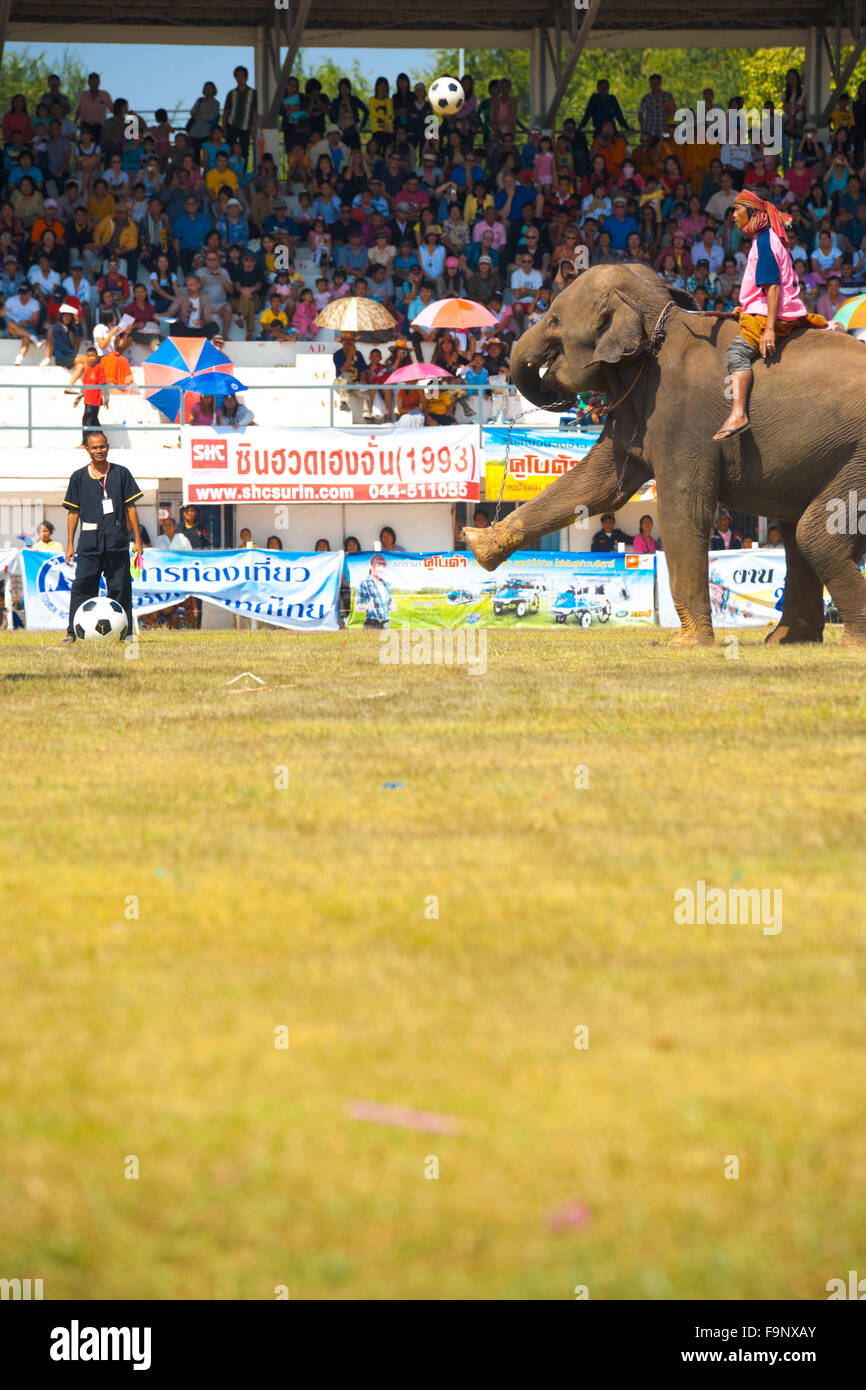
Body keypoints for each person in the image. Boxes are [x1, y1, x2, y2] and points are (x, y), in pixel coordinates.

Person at [712, 189, 833, 441]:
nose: (733, 215)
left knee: (735, 353)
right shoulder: (766, 238)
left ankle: (738, 413)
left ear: (752, 212)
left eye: (737, 209)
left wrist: (768, 329)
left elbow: (773, 287)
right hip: (777, 309)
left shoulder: (765, 240)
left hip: (774, 316)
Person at [62, 432, 143, 643]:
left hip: (116, 541)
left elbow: (131, 507)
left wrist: (138, 541)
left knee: (120, 588)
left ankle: (125, 634)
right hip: (89, 544)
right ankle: (73, 633)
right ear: (87, 450)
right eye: (94, 448)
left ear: (108, 447)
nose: (99, 451)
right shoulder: (78, 477)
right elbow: (72, 513)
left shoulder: (121, 473)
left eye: (102, 447)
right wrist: (69, 544)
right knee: (82, 587)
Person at [356, 552, 394, 629]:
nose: (381, 569)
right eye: (378, 566)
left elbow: (389, 604)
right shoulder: (365, 583)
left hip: (386, 623)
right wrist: (366, 606)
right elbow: (357, 607)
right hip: (372, 623)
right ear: (371, 566)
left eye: (383, 566)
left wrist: (392, 606)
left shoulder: (386, 584)